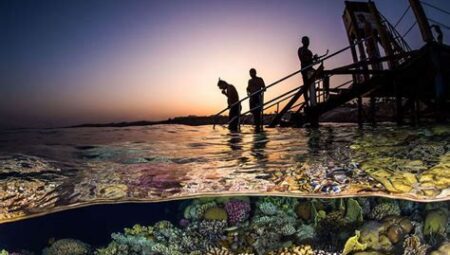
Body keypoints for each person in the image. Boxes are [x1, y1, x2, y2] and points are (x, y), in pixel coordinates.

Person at [298, 36, 318, 107]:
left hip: (310, 70)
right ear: (302, 42)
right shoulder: (300, 49)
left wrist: (315, 59)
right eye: (306, 40)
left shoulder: (310, 52)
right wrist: (312, 58)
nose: (307, 42)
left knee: (311, 87)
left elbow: (311, 62)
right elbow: (303, 59)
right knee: (306, 87)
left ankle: (313, 103)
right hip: (304, 70)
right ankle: (307, 103)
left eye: (308, 41)